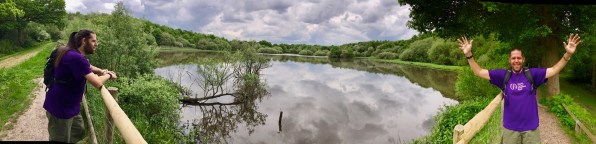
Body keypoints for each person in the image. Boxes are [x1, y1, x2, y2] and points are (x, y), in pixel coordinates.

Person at [457, 33, 582, 144]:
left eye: (518, 58)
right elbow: (478, 72)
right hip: (510, 130)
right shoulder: (502, 75)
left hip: (531, 129)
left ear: (523, 59)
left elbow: (554, 70)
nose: (516, 61)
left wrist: (567, 54)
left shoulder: (532, 74)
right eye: (513, 58)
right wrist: (468, 55)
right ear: (510, 60)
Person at [43, 29, 117, 143]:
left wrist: (101, 71)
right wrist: (108, 75)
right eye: (93, 41)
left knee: (78, 131)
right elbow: (97, 83)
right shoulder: (75, 57)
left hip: (71, 105)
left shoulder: (73, 53)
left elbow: (89, 66)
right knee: (60, 139)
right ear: (84, 41)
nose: (96, 44)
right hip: (60, 107)